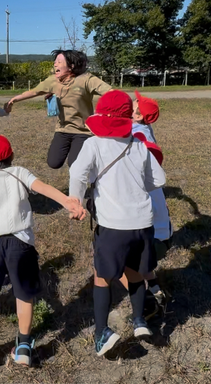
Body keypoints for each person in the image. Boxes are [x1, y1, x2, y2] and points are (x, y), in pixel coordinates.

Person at [0, 135, 85, 367]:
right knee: (24, 295)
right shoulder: (20, 172)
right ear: (12, 156)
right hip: (20, 244)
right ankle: (23, 346)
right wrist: (67, 202)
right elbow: (43, 188)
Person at [69, 90, 166, 358]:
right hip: (142, 223)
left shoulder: (94, 144)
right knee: (135, 272)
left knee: (101, 277)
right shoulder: (138, 144)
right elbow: (158, 180)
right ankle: (140, 321)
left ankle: (102, 332)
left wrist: (75, 201)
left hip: (112, 225)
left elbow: (77, 173)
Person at [5, 49, 111, 169]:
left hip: (83, 131)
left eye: (59, 62)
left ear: (71, 66)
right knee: (53, 163)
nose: (55, 65)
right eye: (55, 62)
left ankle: (93, 169)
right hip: (63, 129)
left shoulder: (86, 79)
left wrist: (109, 112)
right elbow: (34, 92)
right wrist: (14, 99)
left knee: (76, 165)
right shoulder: (52, 81)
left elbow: (111, 93)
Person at [129, 90, 171, 310]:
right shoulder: (143, 128)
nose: (131, 101)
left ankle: (146, 304)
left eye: (134, 103)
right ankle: (155, 287)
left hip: (155, 237)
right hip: (160, 233)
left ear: (138, 116)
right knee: (138, 260)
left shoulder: (137, 137)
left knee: (120, 260)